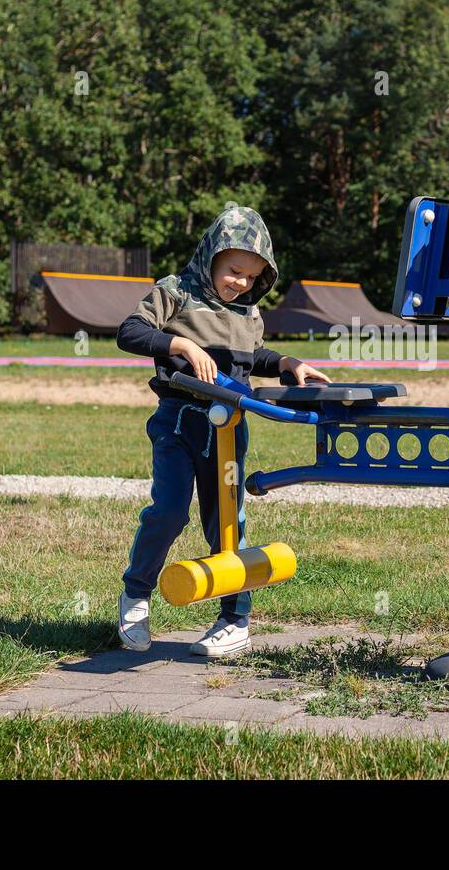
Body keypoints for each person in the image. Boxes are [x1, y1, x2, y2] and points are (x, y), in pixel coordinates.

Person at [114, 206, 328, 656]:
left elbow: (254, 356)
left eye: (251, 277)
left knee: (227, 521)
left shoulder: (248, 313)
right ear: (211, 255)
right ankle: (136, 594)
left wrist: (287, 364)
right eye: (234, 271)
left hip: (229, 429)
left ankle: (235, 619)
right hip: (179, 421)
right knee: (169, 511)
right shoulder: (175, 292)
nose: (242, 283)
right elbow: (130, 332)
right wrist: (181, 343)